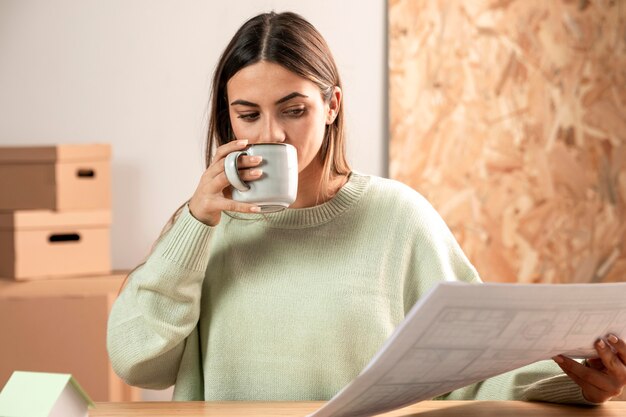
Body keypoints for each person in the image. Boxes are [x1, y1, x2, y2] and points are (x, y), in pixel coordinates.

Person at [107, 11, 625, 404]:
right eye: (248, 115)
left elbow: (477, 369)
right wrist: (195, 223)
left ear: (331, 105)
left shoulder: (399, 217)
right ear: (229, 117)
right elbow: (137, 362)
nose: (271, 135)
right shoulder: (203, 225)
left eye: (294, 110)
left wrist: (576, 382)